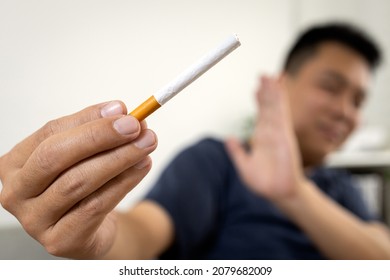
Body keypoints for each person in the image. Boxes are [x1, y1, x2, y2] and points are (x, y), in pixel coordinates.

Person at [1, 23, 390, 260]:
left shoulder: (341, 187)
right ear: (282, 84)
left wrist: (295, 194)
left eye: (358, 100)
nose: (346, 111)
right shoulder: (215, 161)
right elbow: (142, 231)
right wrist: (97, 235)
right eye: (331, 87)